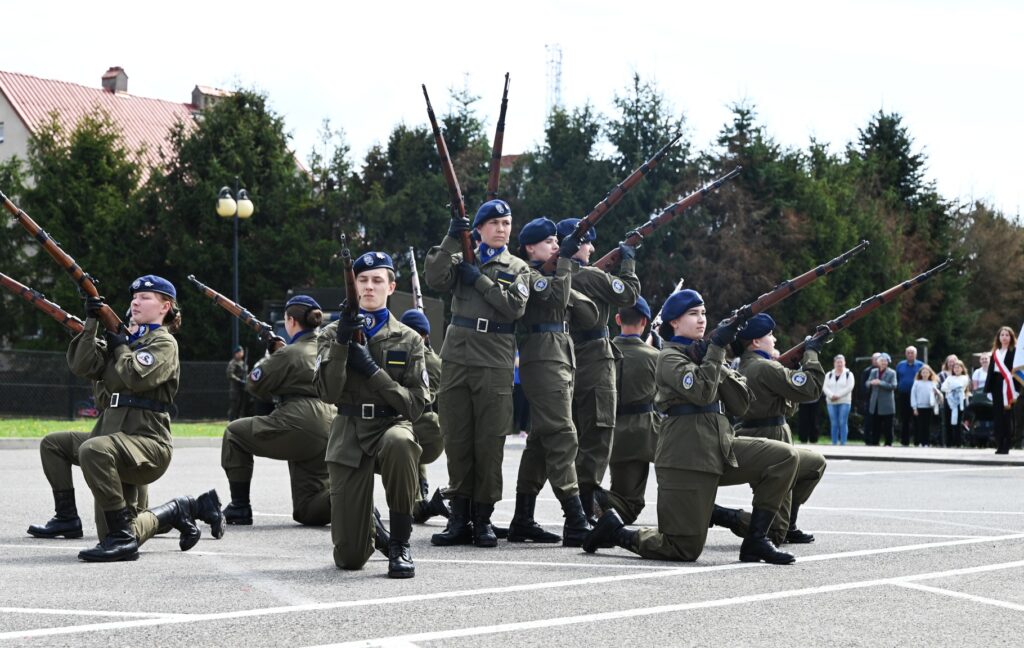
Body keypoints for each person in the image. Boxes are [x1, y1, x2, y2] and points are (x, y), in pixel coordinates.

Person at [583, 289, 800, 565]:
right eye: (693, 314)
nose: (702, 320)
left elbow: (741, 404)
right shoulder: (668, 358)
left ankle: (756, 541)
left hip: (721, 448)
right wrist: (715, 351)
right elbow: (701, 393)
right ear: (674, 322)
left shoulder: (705, 354)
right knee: (682, 549)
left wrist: (712, 355)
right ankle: (616, 531)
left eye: (704, 314)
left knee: (784, 458)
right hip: (687, 458)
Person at [30, 275, 222, 562]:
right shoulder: (126, 341)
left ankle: (169, 515)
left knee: (94, 452)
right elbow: (83, 365)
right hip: (113, 437)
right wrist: (92, 322)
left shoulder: (163, 344)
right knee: (55, 444)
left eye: (145, 297)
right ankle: (70, 517)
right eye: (134, 297)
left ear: (165, 307)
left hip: (146, 443)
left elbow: (134, 376)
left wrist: (120, 346)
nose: (135, 301)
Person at [315, 251, 428, 578]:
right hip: (349, 429)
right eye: (361, 280)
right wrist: (341, 345)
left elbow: (415, 406)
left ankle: (400, 544)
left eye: (377, 280)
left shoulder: (408, 339)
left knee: (400, 443)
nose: (368, 287)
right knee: (350, 559)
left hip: (390, 424)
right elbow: (327, 394)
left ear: (391, 287)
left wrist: (373, 370)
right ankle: (371, 528)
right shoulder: (331, 332)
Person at [424, 199, 530, 547]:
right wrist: (453, 239)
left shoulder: (518, 267)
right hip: (456, 355)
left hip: (494, 356)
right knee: (457, 437)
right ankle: (459, 516)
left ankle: (482, 517)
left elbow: (515, 307)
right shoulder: (460, 257)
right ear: (479, 228)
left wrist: (481, 281)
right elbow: (434, 277)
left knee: (489, 441)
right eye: (495, 222)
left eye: (507, 223)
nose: (502, 229)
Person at [506, 217, 591, 546]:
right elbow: (556, 299)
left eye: (558, 241)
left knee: (541, 441)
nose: (556, 245)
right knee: (561, 433)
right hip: (543, 360)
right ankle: (575, 517)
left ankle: (522, 519)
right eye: (549, 241)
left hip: (559, 356)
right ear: (530, 247)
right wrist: (566, 262)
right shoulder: (529, 275)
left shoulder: (555, 273)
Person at [220, 295, 336, 527]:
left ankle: (240, 506)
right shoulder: (329, 349)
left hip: (301, 420)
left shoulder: (289, 353)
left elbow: (255, 384)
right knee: (308, 509)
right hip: (332, 422)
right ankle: (351, 501)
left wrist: (271, 353)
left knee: (234, 433)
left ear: (291, 321)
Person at [556, 218, 640, 518]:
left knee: (573, 434)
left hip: (567, 357)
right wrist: (627, 261)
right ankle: (584, 512)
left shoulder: (556, 274)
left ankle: (575, 509)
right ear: (577, 244)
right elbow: (629, 294)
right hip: (594, 360)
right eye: (588, 242)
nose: (592, 248)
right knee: (597, 435)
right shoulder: (587, 276)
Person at [726, 314, 828, 546]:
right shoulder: (764, 367)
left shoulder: (753, 365)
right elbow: (810, 390)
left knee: (814, 464)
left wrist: (788, 367)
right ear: (755, 342)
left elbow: (787, 407)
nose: (774, 339)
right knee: (774, 535)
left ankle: (788, 523)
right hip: (768, 437)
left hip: (766, 433)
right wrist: (811, 354)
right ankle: (726, 516)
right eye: (769, 335)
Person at [592, 297, 660, 525]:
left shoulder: (602, 351)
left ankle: (590, 497)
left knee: (621, 500)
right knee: (631, 506)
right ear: (645, 321)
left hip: (611, 431)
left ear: (618, 319)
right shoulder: (655, 357)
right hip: (643, 434)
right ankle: (591, 496)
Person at [398, 308, 450, 524]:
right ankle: (422, 495)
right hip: (434, 430)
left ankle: (422, 503)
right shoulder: (437, 362)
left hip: (413, 424)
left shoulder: (401, 356)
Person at [985, 326, 1017, 454]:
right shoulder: (995, 352)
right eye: (1002, 335)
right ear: (998, 337)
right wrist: (989, 389)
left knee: (1007, 416)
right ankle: (999, 443)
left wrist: (1016, 389)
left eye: (1007, 335)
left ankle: (1007, 444)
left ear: (1011, 337)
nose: (1004, 337)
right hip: (997, 385)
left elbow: (1017, 371)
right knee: (998, 415)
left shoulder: (1014, 352)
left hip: (1009, 385)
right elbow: (991, 372)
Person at [823, 355, 855, 445]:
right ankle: (834, 442)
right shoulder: (829, 375)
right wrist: (831, 395)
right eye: (837, 362)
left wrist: (838, 395)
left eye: (841, 362)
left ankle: (843, 442)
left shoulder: (849, 374)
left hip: (845, 401)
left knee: (842, 421)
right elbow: (824, 387)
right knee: (834, 422)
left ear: (844, 363)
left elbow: (850, 387)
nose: (839, 364)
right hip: (831, 402)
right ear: (834, 363)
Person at [895, 346, 924, 446]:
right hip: (903, 395)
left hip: (917, 396)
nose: (910, 354)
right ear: (905, 354)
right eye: (908, 352)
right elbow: (897, 378)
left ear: (916, 354)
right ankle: (904, 441)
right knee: (905, 419)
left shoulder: (921, 365)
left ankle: (917, 441)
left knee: (917, 420)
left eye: (912, 353)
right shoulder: (900, 365)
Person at [867, 353, 897, 446]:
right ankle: (875, 442)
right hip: (875, 403)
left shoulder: (892, 373)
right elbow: (867, 383)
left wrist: (880, 383)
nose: (883, 363)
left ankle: (888, 443)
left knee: (888, 426)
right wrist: (871, 382)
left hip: (887, 403)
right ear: (878, 362)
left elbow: (893, 385)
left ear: (888, 362)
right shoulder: (873, 372)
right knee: (875, 425)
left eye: (885, 361)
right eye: (881, 361)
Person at [941, 360, 971, 448]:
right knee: (948, 422)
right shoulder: (949, 378)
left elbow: (960, 386)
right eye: (955, 367)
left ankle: (958, 443)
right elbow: (943, 387)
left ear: (962, 368)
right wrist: (951, 388)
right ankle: (949, 443)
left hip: (960, 402)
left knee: (958, 423)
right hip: (949, 401)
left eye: (958, 367)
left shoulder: (965, 377)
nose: (957, 369)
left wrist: (951, 387)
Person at [910, 365, 941, 447]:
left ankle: (926, 442)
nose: (925, 374)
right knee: (920, 426)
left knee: (927, 426)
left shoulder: (933, 383)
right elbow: (913, 395)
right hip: (919, 407)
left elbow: (936, 396)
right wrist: (914, 407)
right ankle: (920, 442)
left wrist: (936, 393)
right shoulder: (916, 383)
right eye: (923, 372)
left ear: (930, 374)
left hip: (929, 407)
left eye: (927, 372)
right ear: (920, 374)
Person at [860, 352, 881, 444]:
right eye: (874, 359)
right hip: (869, 399)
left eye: (878, 359)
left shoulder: (884, 370)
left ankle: (876, 440)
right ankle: (867, 440)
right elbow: (863, 386)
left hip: (881, 399)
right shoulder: (867, 371)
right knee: (868, 421)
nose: (876, 361)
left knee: (878, 421)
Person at [226, 346, 248, 421]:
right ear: (236, 353)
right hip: (235, 388)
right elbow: (230, 374)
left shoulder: (242, 363)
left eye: (242, 352)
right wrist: (239, 380)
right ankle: (231, 421)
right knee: (234, 406)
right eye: (240, 352)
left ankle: (237, 421)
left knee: (241, 406)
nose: (241, 354)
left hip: (242, 388)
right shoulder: (233, 362)